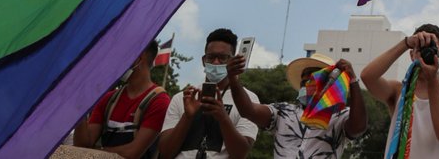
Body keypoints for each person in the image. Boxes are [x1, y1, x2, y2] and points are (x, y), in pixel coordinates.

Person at [228, 51, 366, 158]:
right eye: (303, 79)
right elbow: (248, 111)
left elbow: (358, 127)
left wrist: (353, 81)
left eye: (312, 76)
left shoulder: (340, 115)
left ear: (329, 82)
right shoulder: (282, 111)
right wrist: (233, 79)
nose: (306, 81)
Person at [362, 23, 439, 159]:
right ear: (412, 54)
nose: (426, 54)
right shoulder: (399, 92)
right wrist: (406, 43)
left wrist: (432, 79)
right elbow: (367, 77)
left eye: (432, 48)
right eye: (421, 49)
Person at [159, 28, 260, 159]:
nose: (216, 62)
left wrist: (223, 118)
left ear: (232, 60)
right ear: (203, 60)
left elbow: (240, 154)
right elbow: (165, 152)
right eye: (211, 57)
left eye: (223, 58)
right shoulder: (183, 98)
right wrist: (187, 117)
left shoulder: (247, 101)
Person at [74, 40, 171, 158]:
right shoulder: (108, 99)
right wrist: (79, 108)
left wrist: (96, 151)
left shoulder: (159, 101)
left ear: (139, 56)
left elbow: (132, 153)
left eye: (122, 54)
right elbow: (82, 145)